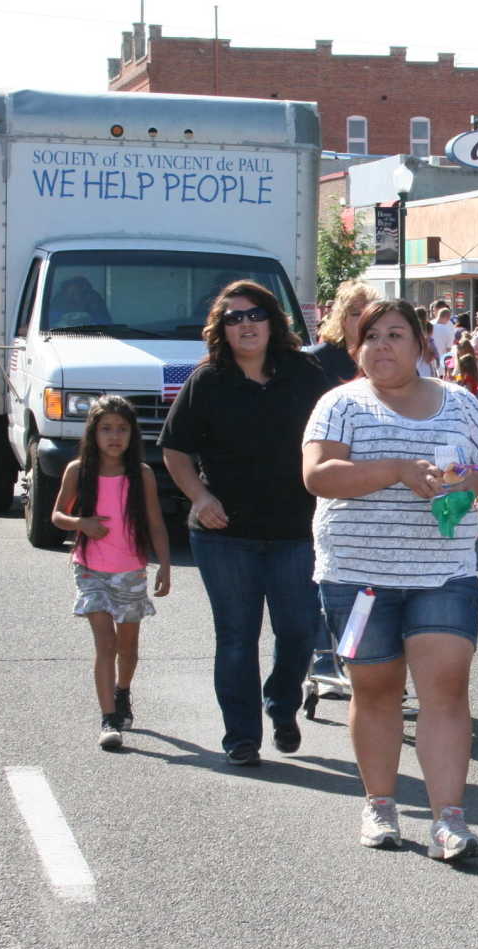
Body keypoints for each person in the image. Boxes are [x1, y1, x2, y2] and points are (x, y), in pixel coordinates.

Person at [302, 298, 478, 860]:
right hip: (356, 577)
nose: (381, 346)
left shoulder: (459, 403)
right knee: (376, 691)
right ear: (356, 348)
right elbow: (318, 475)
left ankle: (450, 821)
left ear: (421, 344)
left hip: (443, 572)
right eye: (371, 336)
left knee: (446, 689)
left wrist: (466, 480)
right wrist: (396, 470)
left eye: (395, 334)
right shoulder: (340, 404)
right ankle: (381, 805)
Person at [160, 280, 333, 766]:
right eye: (234, 318)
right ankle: (241, 736)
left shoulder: (304, 373)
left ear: (272, 321)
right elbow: (174, 450)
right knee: (237, 637)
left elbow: (336, 431)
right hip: (225, 535)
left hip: (296, 531)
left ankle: (281, 704)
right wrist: (200, 497)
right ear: (222, 329)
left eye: (254, 314)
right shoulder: (207, 380)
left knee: (298, 631)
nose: (246, 325)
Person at [50, 396, 171, 750]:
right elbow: (57, 515)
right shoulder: (78, 471)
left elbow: (155, 523)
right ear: (93, 433)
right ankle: (108, 719)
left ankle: (122, 691)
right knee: (105, 644)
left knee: (127, 648)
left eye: (122, 429)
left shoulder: (141, 475)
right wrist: (81, 523)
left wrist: (164, 565)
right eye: (106, 429)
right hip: (90, 569)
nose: (114, 436)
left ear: (133, 435)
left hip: (130, 570)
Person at [306, 279, 379, 385]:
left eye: (369, 314)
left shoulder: (385, 354)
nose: (363, 320)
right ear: (342, 318)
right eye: (356, 314)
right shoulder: (317, 359)